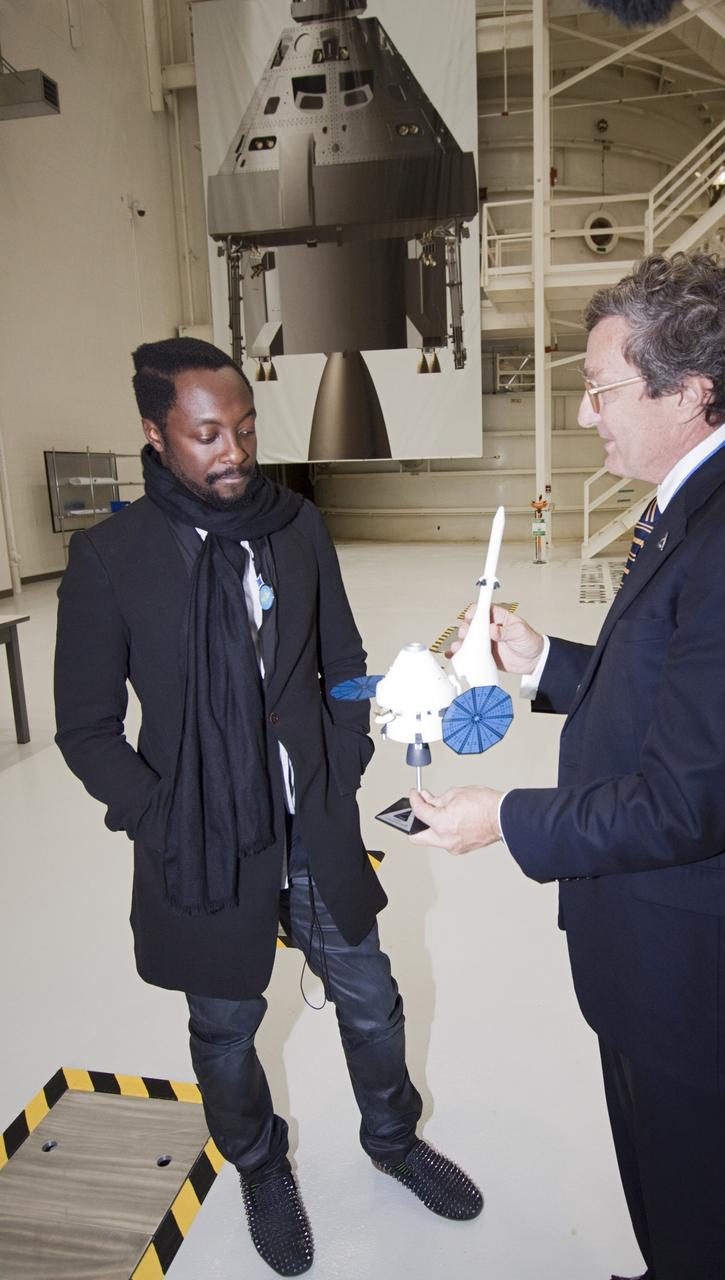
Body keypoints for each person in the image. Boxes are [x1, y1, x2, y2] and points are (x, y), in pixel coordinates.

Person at [410, 253, 725, 1280]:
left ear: (689, 391)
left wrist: (504, 816)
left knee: (717, 1220)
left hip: (710, 980)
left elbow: (689, 797)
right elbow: (686, 689)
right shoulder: (713, 489)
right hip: (664, 957)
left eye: (601, 389)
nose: (582, 413)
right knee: (673, 1196)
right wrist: (541, 664)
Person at [54, 337, 482, 1279]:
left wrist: (343, 758)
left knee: (369, 998)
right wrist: (161, 817)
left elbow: (341, 661)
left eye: (244, 428)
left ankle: (394, 1142)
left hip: (313, 823)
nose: (233, 451)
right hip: (201, 841)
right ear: (156, 436)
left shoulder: (295, 526)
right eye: (206, 434)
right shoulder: (112, 558)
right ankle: (257, 1165)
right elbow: (85, 729)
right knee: (225, 1028)